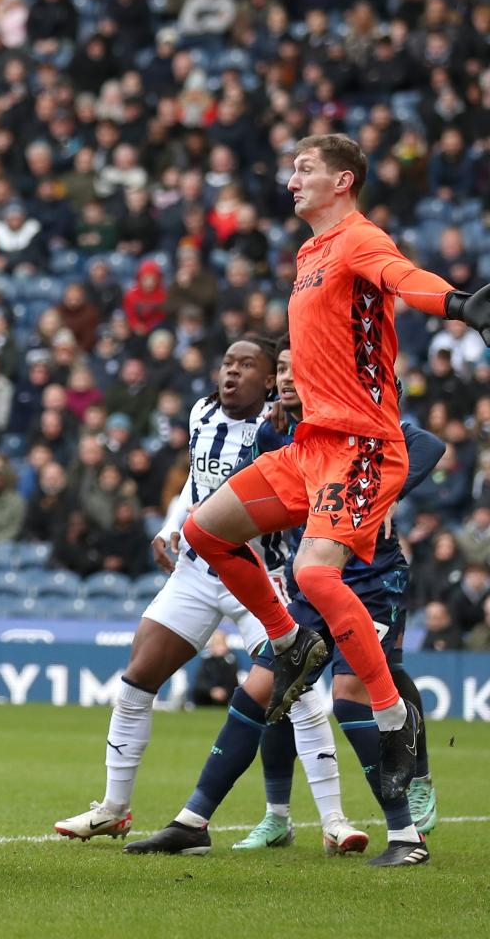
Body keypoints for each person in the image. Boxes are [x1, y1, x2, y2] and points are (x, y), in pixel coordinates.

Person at [180, 133, 490, 806]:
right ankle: (290, 642)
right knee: (203, 531)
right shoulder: (309, 252)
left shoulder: (359, 239)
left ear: (343, 180)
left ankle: (394, 718)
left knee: (315, 573)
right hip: (310, 447)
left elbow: (405, 278)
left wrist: (459, 305)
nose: (291, 180)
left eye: (305, 169)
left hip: (362, 444)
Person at [127, 344, 444, 867]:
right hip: (307, 581)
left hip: (370, 580)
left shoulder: (357, 424)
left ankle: (406, 834)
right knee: (263, 690)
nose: (292, 379)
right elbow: (245, 488)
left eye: (303, 370)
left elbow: (427, 444)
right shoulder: (275, 433)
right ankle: (195, 822)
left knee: (351, 698)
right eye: (282, 371)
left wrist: (385, 494)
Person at [55, 337, 361, 853]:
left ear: (270, 380)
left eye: (247, 365)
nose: (232, 372)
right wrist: (170, 526)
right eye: (227, 363)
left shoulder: (281, 426)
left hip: (260, 578)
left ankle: (334, 820)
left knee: (300, 689)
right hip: (196, 573)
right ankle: (113, 809)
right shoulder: (201, 413)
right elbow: (195, 483)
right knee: (136, 681)